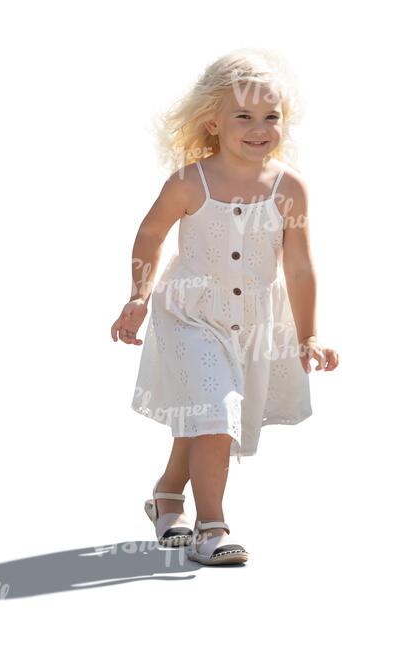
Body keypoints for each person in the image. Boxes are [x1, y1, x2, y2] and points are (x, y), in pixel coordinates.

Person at [110, 48, 339, 566]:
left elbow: (300, 266)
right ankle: (212, 527)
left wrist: (309, 335)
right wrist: (137, 297)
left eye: (271, 117)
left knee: (203, 415)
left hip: (254, 324)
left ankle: (168, 497)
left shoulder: (289, 189)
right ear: (212, 123)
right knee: (215, 416)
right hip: (189, 316)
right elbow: (150, 237)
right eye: (244, 117)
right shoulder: (191, 182)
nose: (260, 128)